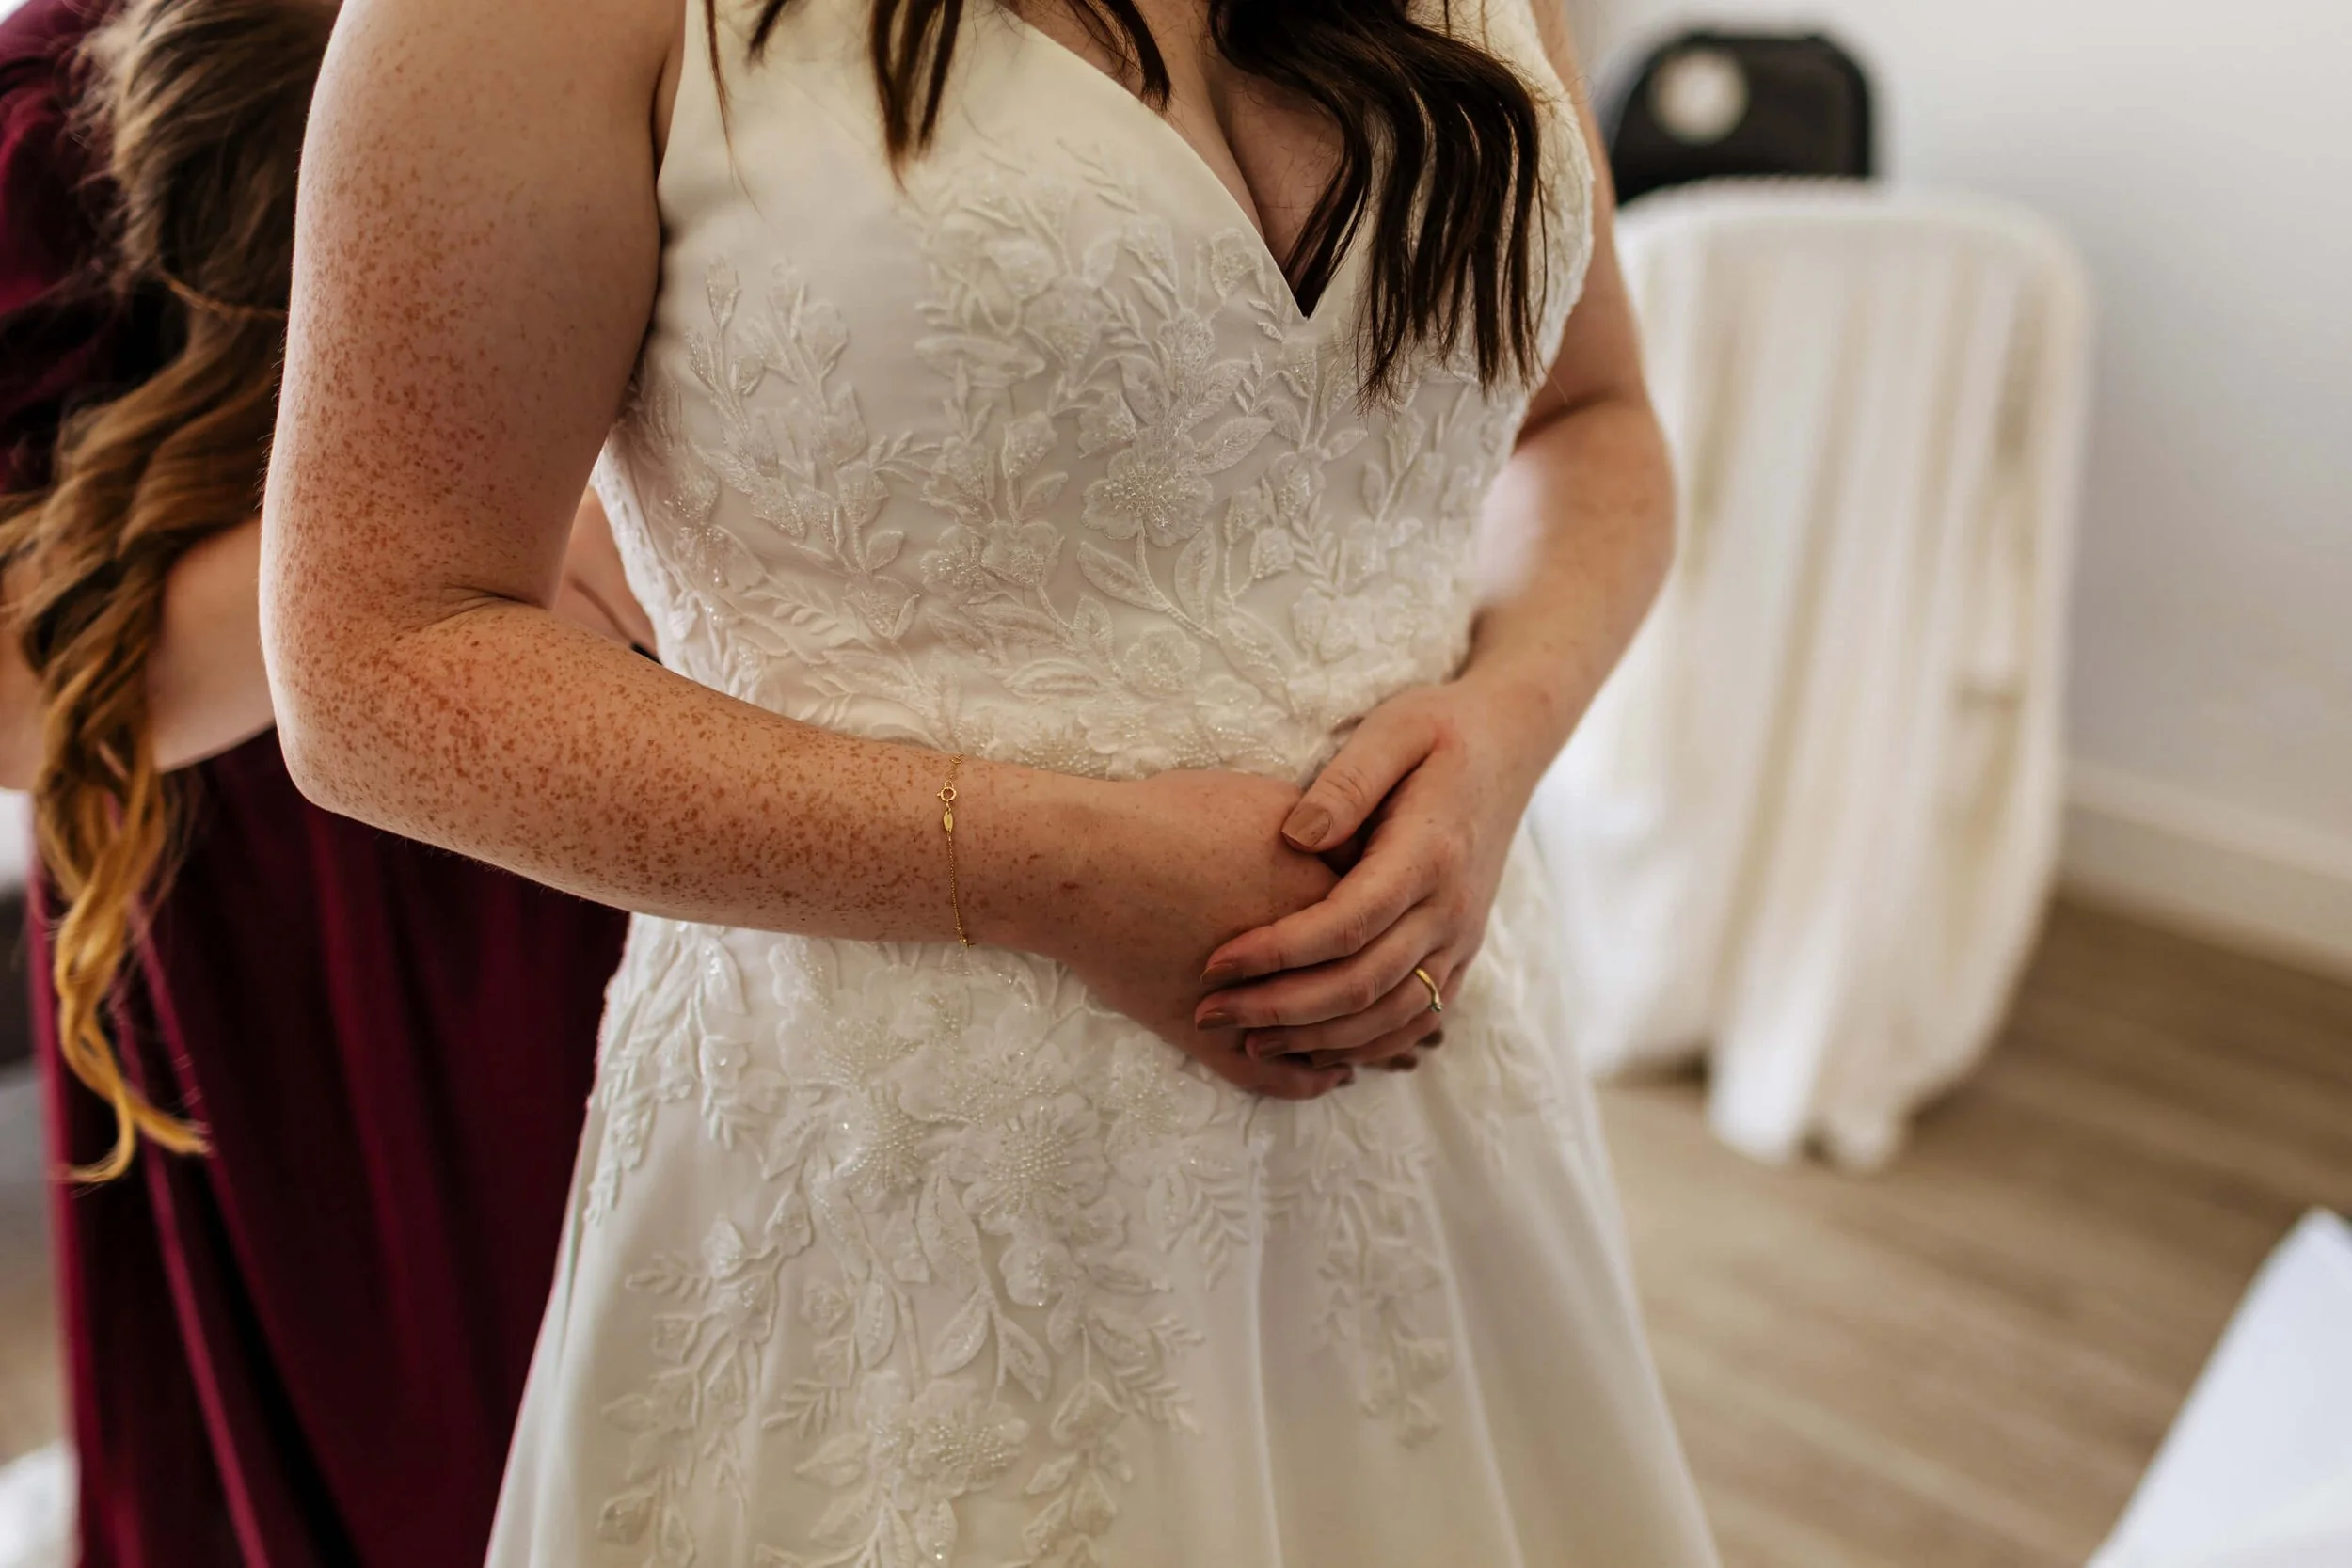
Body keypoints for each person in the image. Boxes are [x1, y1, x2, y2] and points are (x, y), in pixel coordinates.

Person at [265, 0, 1724, 1560]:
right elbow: (373, 655)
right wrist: (1057, 863)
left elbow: (1591, 421)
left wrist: (1503, 729)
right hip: (902, 1220)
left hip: (1430, 1104)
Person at [0, 0, 644, 1560]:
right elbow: (17, 698)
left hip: (669, 880)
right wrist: (476, 539)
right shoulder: (62, 113)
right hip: (309, 985)